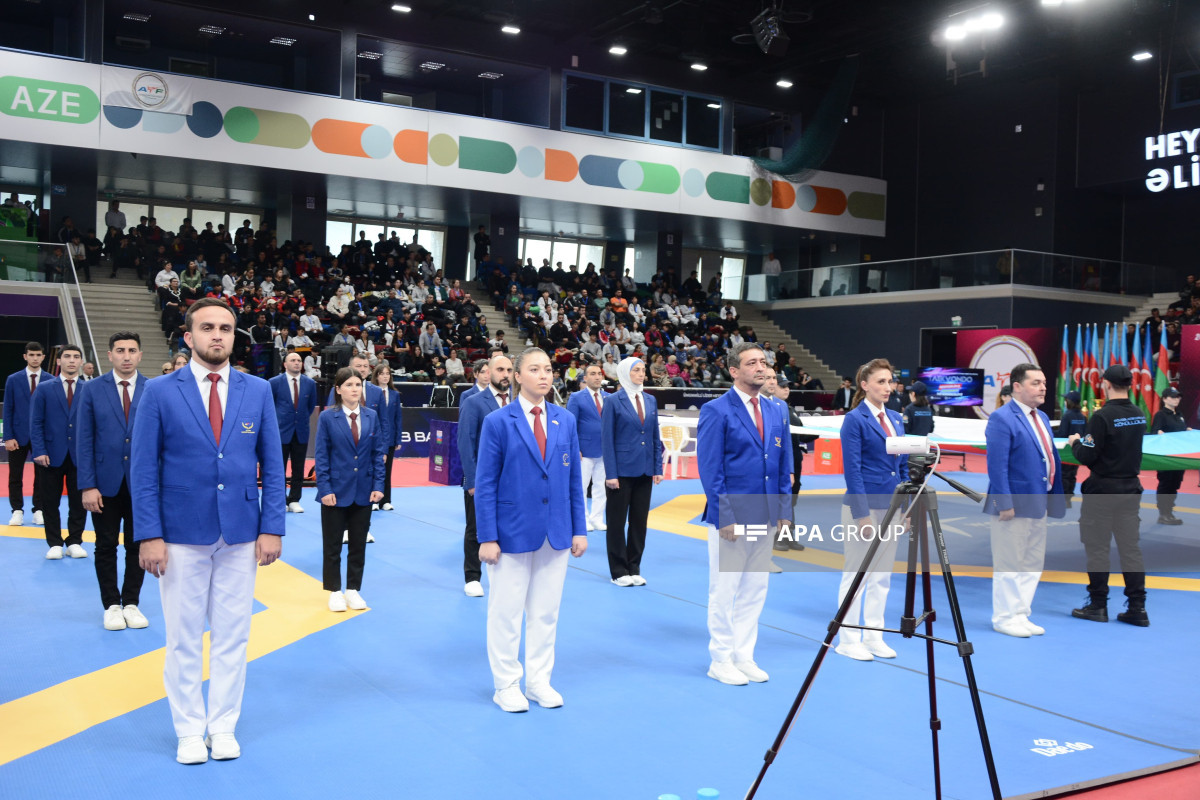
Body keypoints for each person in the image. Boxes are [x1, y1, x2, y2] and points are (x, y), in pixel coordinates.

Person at [131, 298, 286, 765]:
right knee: (182, 636)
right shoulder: (158, 392)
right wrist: (149, 534)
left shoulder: (256, 390)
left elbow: (273, 465)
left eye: (225, 328)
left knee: (233, 635)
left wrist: (272, 526)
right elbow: (143, 468)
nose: (217, 335)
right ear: (188, 335)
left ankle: (222, 726)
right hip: (179, 532)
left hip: (241, 530)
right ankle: (187, 730)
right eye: (207, 327)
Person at [474, 347, 587, 712]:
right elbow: (485, 483)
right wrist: (487, 537)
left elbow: (574, 480)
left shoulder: (564, 420)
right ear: (517, 377)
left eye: (548, 369)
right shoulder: (498, 421)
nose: (544, 375)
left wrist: (579, 529)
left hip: (555, 531)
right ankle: (506, 683)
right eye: (534, 369)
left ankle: (539, 681)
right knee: (506, 611)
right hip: (510, 533)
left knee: (545, 612)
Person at [697, 343, 792, 685]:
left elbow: (783, 464)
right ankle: (720, 658)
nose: (760, 367)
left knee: (755, 588)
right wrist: (724, 514)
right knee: (725, 590)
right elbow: (710, 468)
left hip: (765, 512)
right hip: (733, 515)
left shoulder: (776, 410)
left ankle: (744, 654)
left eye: (763, 362)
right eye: (751, 363)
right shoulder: (716, 410)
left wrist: (783, 508)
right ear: (734, 371)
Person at [982, 363, 1065, 638]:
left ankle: (1020, 613)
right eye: (1035, 383)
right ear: (1017, 386)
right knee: (1009, 562)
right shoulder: (1002, 418)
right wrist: (1004, 503)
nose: (1043, 387)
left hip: (1038, 500)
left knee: (1031, 562)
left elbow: (1047, 458)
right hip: (1014, 504)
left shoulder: (1040, 417)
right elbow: (997, 465)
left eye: (1043, 382)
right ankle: (1004, 617)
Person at [835, 358, 907, 661]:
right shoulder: (854, 419)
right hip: (863, 507)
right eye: (881, 382)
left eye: (889, 381)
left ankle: (875, 634)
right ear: (864, 385)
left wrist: (904, 505)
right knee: (856, 574)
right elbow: (852, 471)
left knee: (881, 576)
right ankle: (849, 638)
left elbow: (902, 465)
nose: (888, 387)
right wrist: (861, 514)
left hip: (891, 506)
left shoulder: (896, 418)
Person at [1067, 365, 1148, 627]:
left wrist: (1075, 443)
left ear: (1106, 384)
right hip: (1130, 489)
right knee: (1130, 549)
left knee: (1098, 548)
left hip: (1102, 491)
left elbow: (1087, 456)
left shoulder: (1102, 417)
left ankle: (1098, 604)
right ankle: (1137, 607)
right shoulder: (1139, 415)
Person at [77, 332, 148, 630]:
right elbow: (84, 439)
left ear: (140, 355)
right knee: (105, 546)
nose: (126, 356)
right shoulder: (92, 389)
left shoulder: (153, 388)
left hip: (142, 484)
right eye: (120, 350)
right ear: (109, 355)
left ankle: (131, 602)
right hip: (104, 484)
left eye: (132, 350)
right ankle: (111, 605)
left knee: (138, 546)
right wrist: (87, 485)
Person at [315, 368, 386, 612]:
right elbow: (321, 456)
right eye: (349, 385)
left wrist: (379, 485)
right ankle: (334, 590)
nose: (355, 389)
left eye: (358, 384)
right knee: (332, 545)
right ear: (338, 389)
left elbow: (378, 454)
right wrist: (324, 488)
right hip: (334, 491)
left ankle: (353, 589)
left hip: (364, 491)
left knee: (358, 545)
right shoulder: (327, 417)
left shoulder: (371, 416)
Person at [601, 356, 664, 587]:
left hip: (645, 470)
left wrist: (657, 468)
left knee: (640, 522)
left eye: (643, 370)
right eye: (636, 370)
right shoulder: (613, 401)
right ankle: (618, 570)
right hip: (621, 471)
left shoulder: (650, 400)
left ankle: (634, 566)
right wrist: (611, 473)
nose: (641, 374)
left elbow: (654, 436)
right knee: (616, 523)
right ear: (626, 373)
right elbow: (607, 440)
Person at [457, 353, 514, 598]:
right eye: (500, 370)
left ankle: (505, 575)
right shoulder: (474, 402)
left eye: (509, 370)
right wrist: (471, 481)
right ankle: (472, 577)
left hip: (512, 480)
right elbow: (465, 443)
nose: (505, 375)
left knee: (507, 528)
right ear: (488, 372)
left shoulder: (517, 402)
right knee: (476, 528)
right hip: (482, 479)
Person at [31, 345, 87, 559]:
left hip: (79, 455)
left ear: (81, 362)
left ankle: (74, 540)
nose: (72, 360)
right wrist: (39, 450)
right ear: (59, 361)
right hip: (50, 455)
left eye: (76, 357)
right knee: (49, 501)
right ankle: (54, 542)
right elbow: (36, 422)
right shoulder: (45, 388)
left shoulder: (88, 389)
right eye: (67, 357)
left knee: (78, 501)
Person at [270, 352, 319, 515]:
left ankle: (295, 500)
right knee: (279, 469)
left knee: (298, 469)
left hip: (301, 431)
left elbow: (310, 406)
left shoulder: (310, 383)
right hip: (280, 431)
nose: (297, 363)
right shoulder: (274, 383)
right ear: (285, 364)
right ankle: (280, 500)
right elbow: (270, 406)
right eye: (293, 360)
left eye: (299, 360)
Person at [4, 342, 47, 528]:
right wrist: (8, 437)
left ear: (43, 357)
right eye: (31, 354)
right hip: (17, 436)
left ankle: (39, 509)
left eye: (38, 355)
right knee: (15, 475)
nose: (35, 358)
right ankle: (17, 511)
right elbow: (8, 409)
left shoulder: (50, 379)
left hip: (42, 437)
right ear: (25, 356)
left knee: (42, 475)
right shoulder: (13, 379)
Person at [566, 363, 609, 532]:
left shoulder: (608, 397)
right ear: (585, 377)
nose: (597, 377)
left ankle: (597, 518)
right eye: (593, 374)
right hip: (583, 451)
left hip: (604, 450)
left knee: (601, 487)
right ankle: (581, 519)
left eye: (599, 373)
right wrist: (574, 449)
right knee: (580, 487)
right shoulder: (577, 397)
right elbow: (571, 425)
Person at [1150, 386, 1188, 525]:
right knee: (1166, 484)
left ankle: (1170, 511)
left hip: (1179, 457)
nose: (1176, 399)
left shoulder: (1179, 415)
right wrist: (1160, 434)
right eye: (1173, 396)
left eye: (1178, 396)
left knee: (1175, 484)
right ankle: (1163, 513)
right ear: (1164, 399)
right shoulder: (1160, 415)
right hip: (1166, 458)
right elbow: (1154, 433)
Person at [371, 363, 402, 510]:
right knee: (373, 469)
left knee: (387, 470)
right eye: (382, 373)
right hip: (373, 437)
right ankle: (373, 500)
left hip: (389, 439)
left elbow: (398, 418)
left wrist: (398, 439)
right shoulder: (371, 393)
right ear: (376, 376)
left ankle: (386, 500)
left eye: (387, 374)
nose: (385, 376)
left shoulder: (395, 394)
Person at [1057, 391, 1087, 507]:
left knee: (1064, 474)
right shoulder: (1082, 416)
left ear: (1068, 402)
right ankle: (1069, 497)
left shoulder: (1067, 416)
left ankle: (1064, 498)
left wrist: (1051, 432)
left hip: (1066, 448)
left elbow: (1062, 433)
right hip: (1077, 449)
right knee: (1072, 474)